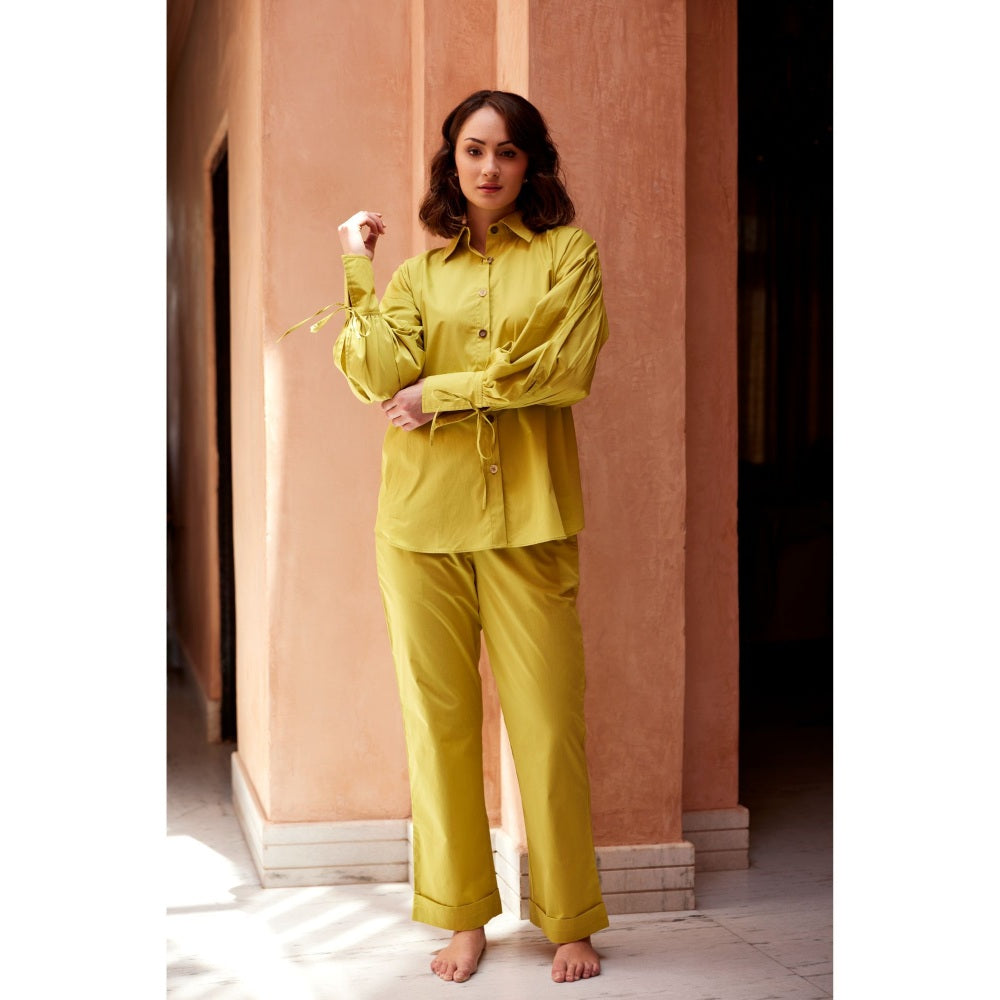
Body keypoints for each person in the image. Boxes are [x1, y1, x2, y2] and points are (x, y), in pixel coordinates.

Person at [330, 90, 610, 984]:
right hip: (420, 528)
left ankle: (569, 919)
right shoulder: (417, 278)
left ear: (532, 164)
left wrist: (442, 394)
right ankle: (462, 919)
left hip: (529, 522)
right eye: (474, 150)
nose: (490, 167)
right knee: (438, 728)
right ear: (451, 162)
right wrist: (358, 268)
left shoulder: (568, 255)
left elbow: (560, 369)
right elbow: (377, 376)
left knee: (548, 726)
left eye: (508, 152)